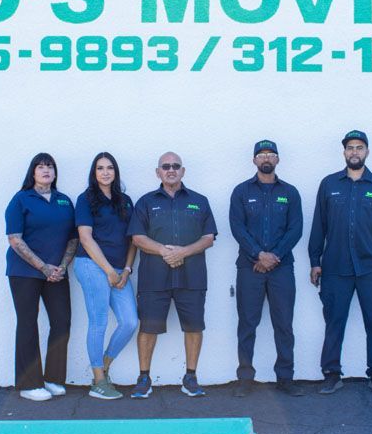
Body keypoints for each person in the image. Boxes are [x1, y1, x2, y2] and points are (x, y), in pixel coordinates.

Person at [309, 130, 372, 396]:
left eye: (360, 147)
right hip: (336, 267)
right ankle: (331, 373)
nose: (355, 152)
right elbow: (319, 226)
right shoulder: (329, 185)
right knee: (334, 321)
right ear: (344, 152)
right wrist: (316, 261)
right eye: (350, 148)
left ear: (367, 152)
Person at [127, 152, 217, 398]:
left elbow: (209, 238)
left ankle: (190, 377)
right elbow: (137, 237)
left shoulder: (200, 201)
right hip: (154, 278)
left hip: (192, 277)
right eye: (165, 166)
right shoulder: (145, 202)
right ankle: (144, 378)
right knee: (148, 327)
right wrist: (165, 252)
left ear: (183, 171)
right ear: (158, 172)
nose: (171, 170)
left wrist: (184, 252)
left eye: (176, 166)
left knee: (194, 327)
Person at [229, 140, 304, 397]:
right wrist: (258, 255)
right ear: (254, 160)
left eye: (271, 154)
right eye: (261, 155)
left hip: (282, 269)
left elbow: (296, 229)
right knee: (247, 323)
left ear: (278, 160)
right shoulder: (241, 192)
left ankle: (285, 378)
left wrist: (274, 256)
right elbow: (237, 227)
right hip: (249, 268)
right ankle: (245, 378)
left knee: (283, 324)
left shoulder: (290, 193)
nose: (266, 158)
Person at [5, 153, 77, 402]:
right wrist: (43, 267)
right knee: (28, 323)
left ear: (55, 172)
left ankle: (53, 379)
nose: (46, 170)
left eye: (50, 166)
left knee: (62, 322)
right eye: (40, 166)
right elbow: (15, 239)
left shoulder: (64, 201)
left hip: (57, 273)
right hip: (25, 272)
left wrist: (62, 266)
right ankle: (29, 384)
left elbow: (73, 238)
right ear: (32, 172)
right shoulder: (21, 199)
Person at [72, 152, 139, 400]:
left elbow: (133, 239)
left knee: (130, 321)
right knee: (98, 321)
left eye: (110, 167)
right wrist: (109, 270)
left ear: (115, 171)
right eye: (100, 168)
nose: (105, 172)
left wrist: (127, 270)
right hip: (91, 265)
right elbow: (85, 238)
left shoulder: (126, 200)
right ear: (94, 172)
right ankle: (99, 381)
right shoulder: (86, 199)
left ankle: (105, 365)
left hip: (121, 269)